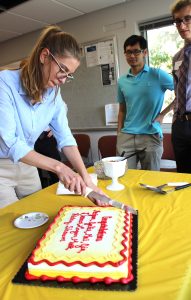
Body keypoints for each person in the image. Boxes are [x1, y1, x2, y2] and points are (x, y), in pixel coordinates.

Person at [0, 25, 103, 208]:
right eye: (62, 69)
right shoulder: (4, 84)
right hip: (1, 167)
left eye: (69, 75)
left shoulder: (54, 94)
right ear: (44, 56)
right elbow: (10, 142)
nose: (63, 79)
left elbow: (65, 137)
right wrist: (59, 167)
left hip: (28, 163)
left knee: (37, 212)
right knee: (8, 223)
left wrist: (87, 180)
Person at [116, 35, 174, 170]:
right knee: (123, 178)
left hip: (150, 136)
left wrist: (163, 114)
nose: (132, 55)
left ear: (145, 52)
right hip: (127, 137)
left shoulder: (157, 75)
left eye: (136, 51)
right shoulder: (122, 81)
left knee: (150, 180)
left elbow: (184, 92)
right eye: (128, 52)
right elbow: (122, 110)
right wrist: (119, 134)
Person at [171, 0, 191, 173]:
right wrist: (176, 119)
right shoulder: (177, 57)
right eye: (178, 20)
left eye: (187, 18)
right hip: (180, 126)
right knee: (183, 177)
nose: (182, 25)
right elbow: (178, 90)